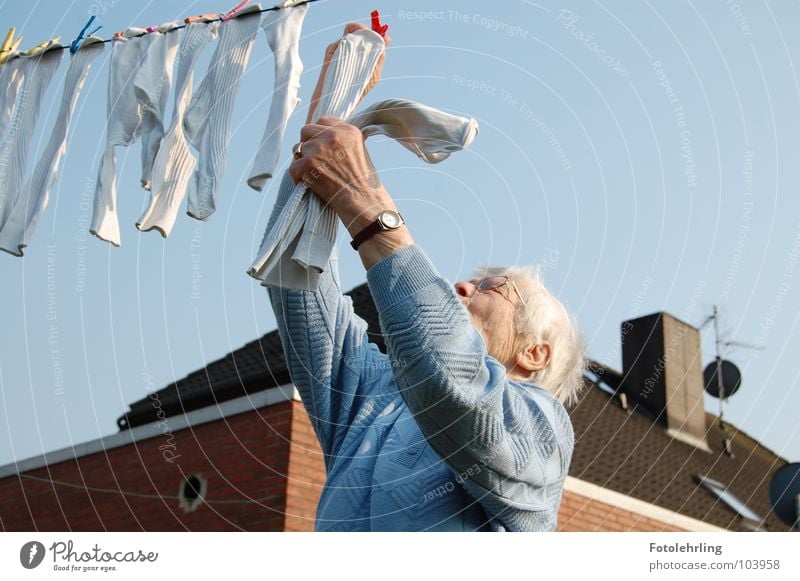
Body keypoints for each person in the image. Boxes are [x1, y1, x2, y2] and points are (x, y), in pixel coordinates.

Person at [265, 23, 585, 531]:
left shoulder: (540, 431)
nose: (463, 285)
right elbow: (295, 285)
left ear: (534, 353)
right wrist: (331, 118)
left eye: (492, 288)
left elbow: (454, 385)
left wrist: (368, 204)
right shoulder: (371, 399)